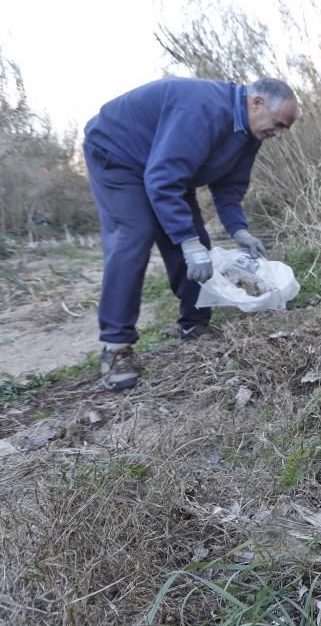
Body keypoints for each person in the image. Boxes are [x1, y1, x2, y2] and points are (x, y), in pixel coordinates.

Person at [83, 76, 299, 391]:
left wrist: (239, 232)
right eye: (278, 124)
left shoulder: (251, 134)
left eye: (284, 129)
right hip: (118, 155)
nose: (278, 135)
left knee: (200, 240)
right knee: (135, 236)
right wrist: (187, 243)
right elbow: (161, 179)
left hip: (164, 169)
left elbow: (229, 188)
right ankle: (116, 348)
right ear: (257, 103)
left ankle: (194, 325)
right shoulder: (201, 110)